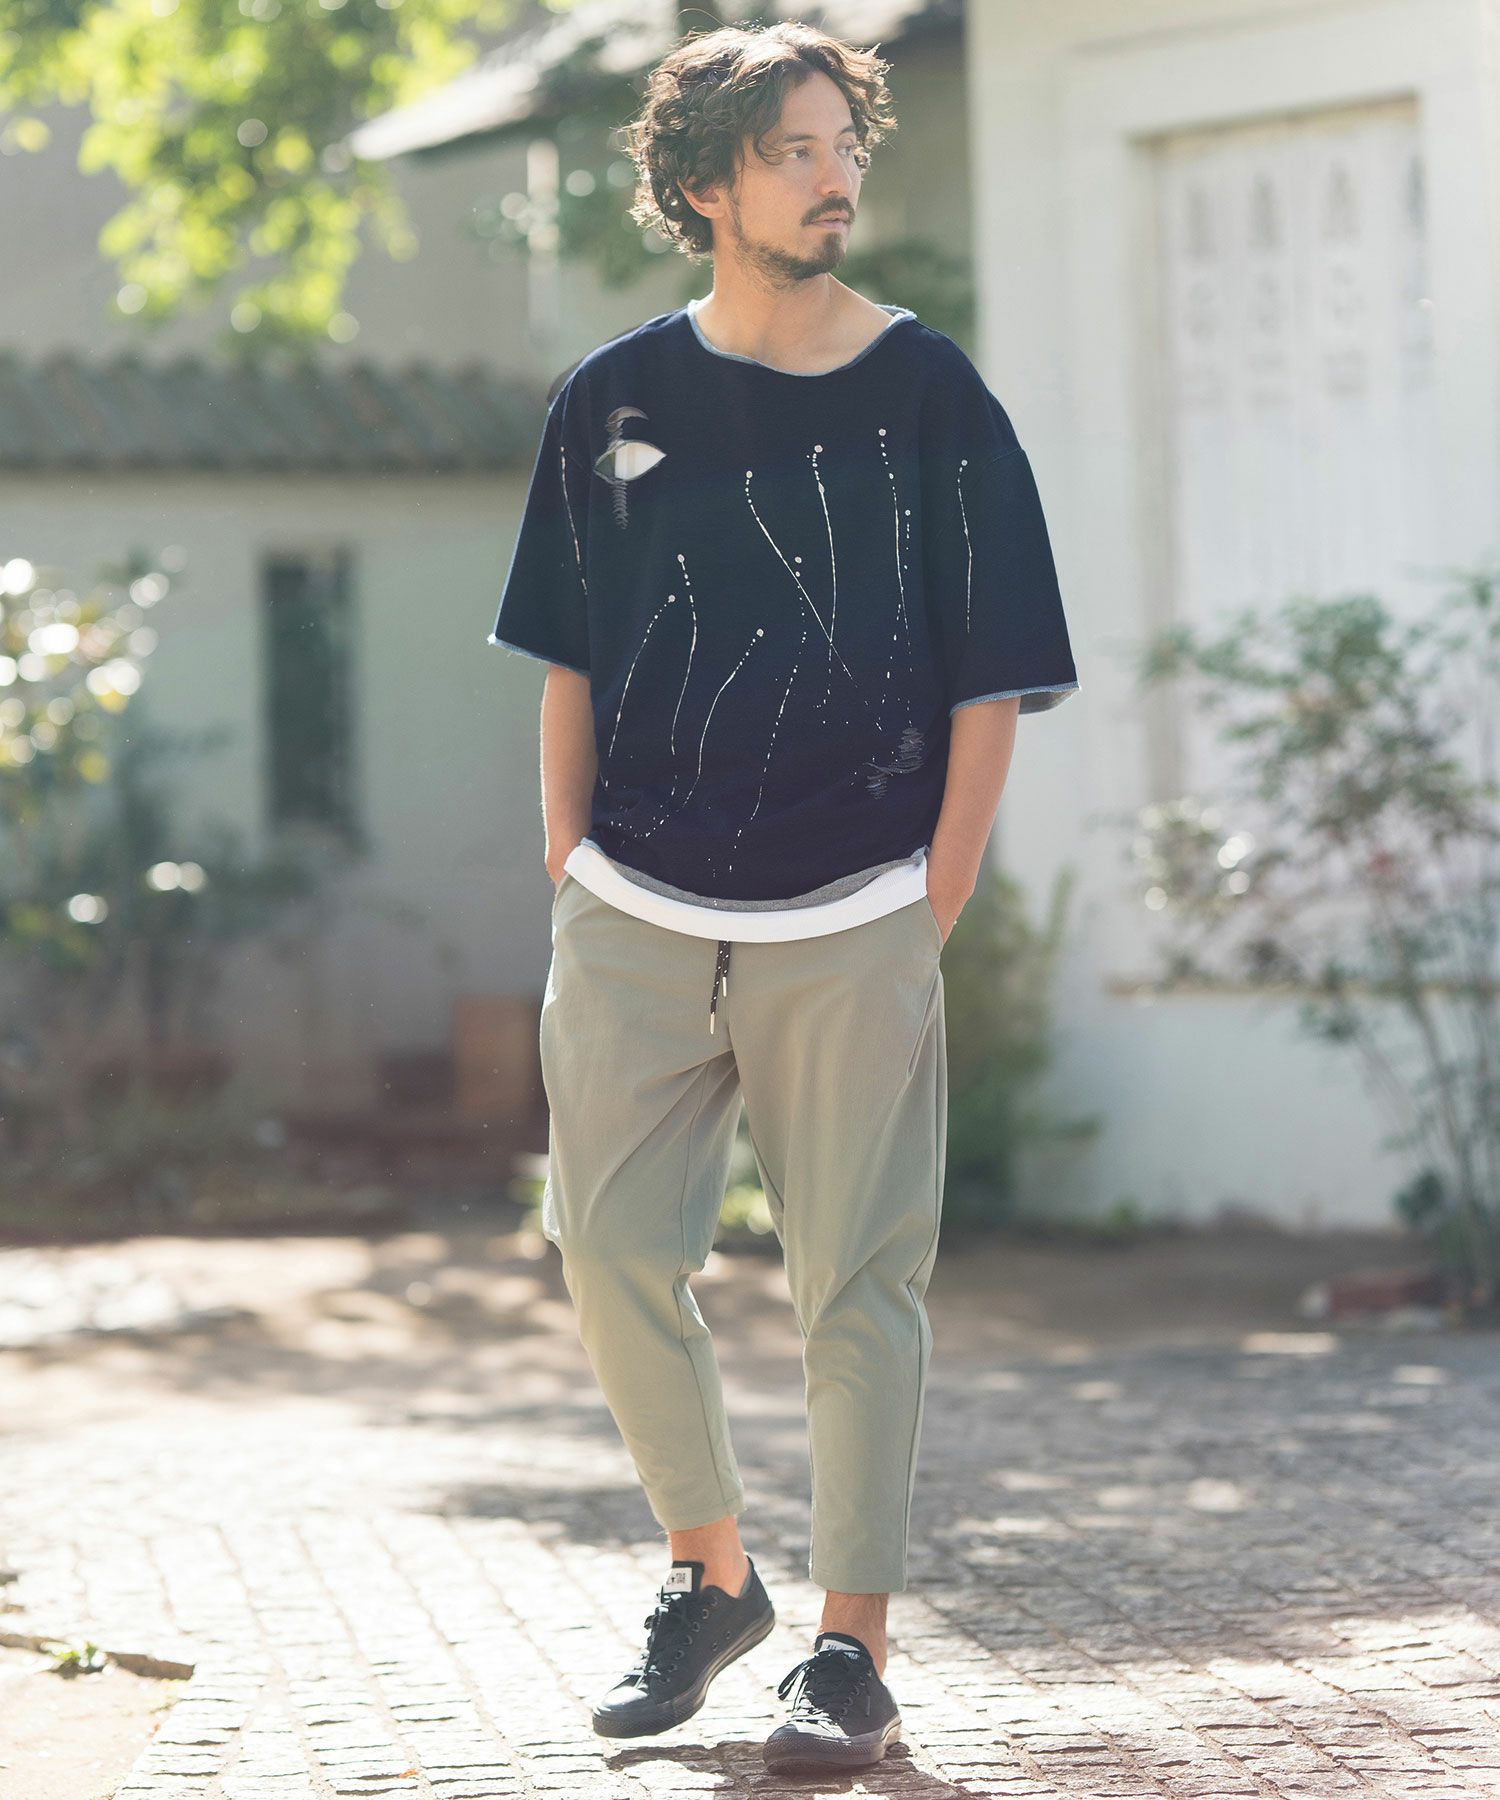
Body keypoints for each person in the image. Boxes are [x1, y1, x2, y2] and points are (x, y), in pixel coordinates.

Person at [486, 18, 1078, 1777]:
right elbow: (568, 645)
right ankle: (713, 1574)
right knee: (608, 1247)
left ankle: (850, 1651)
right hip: (634, 899)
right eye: (796, 151)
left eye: (844, 146)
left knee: (857, 1288)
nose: (836, 180)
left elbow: (997, 665)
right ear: (704, 185)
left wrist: (934, 892)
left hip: (858, 900)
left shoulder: (931, 393)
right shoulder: (611, 398)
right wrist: (567, 854)